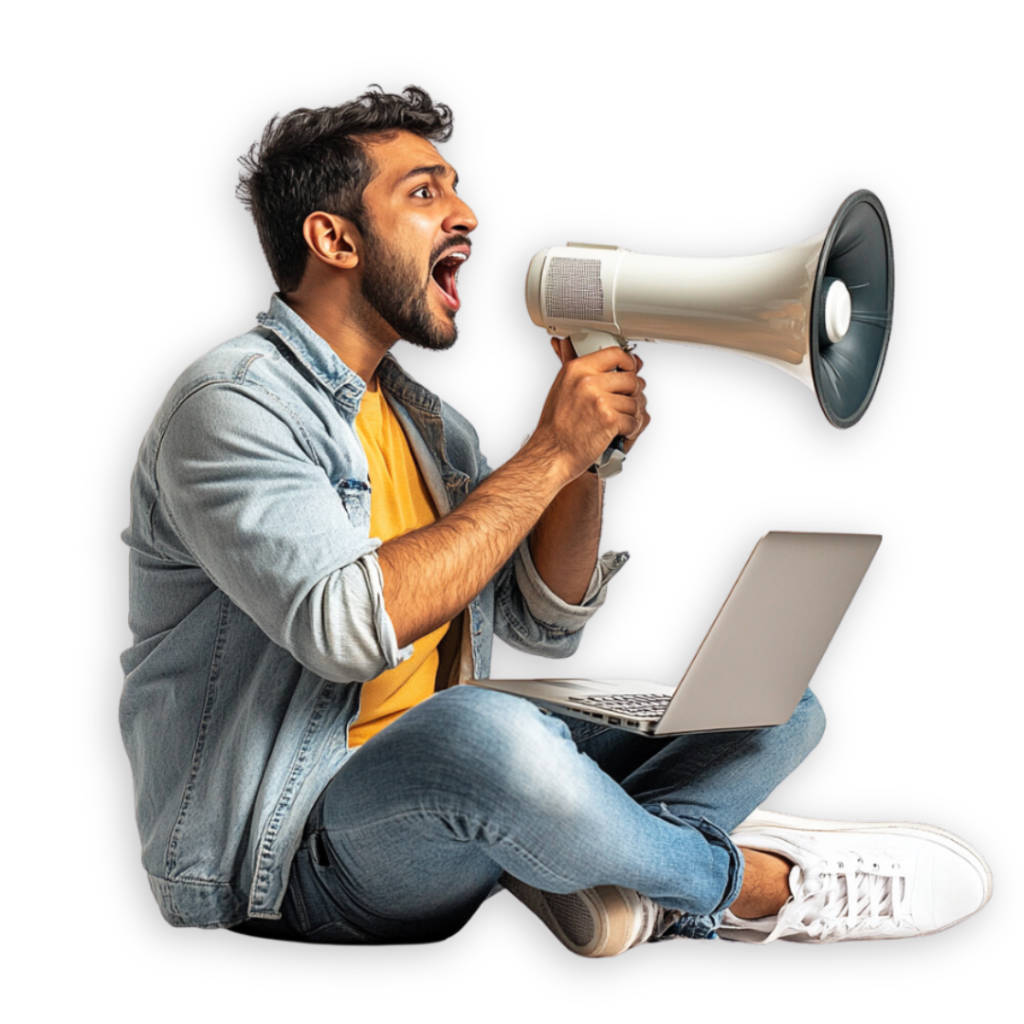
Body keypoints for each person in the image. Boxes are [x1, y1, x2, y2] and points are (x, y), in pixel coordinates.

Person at [119, 83, 992, 956]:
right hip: (298, 846)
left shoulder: (434, 429)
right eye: (424, 192)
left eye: (456, 188)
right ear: (333, 237)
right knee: (486, 736)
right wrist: (544, 454)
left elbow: (543, 622)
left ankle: (606, 873)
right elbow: (348, 629)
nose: (466, 214)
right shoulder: (232, 404)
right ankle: (744, 888)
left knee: (777, 704)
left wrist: (584, 463)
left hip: (468, 781)